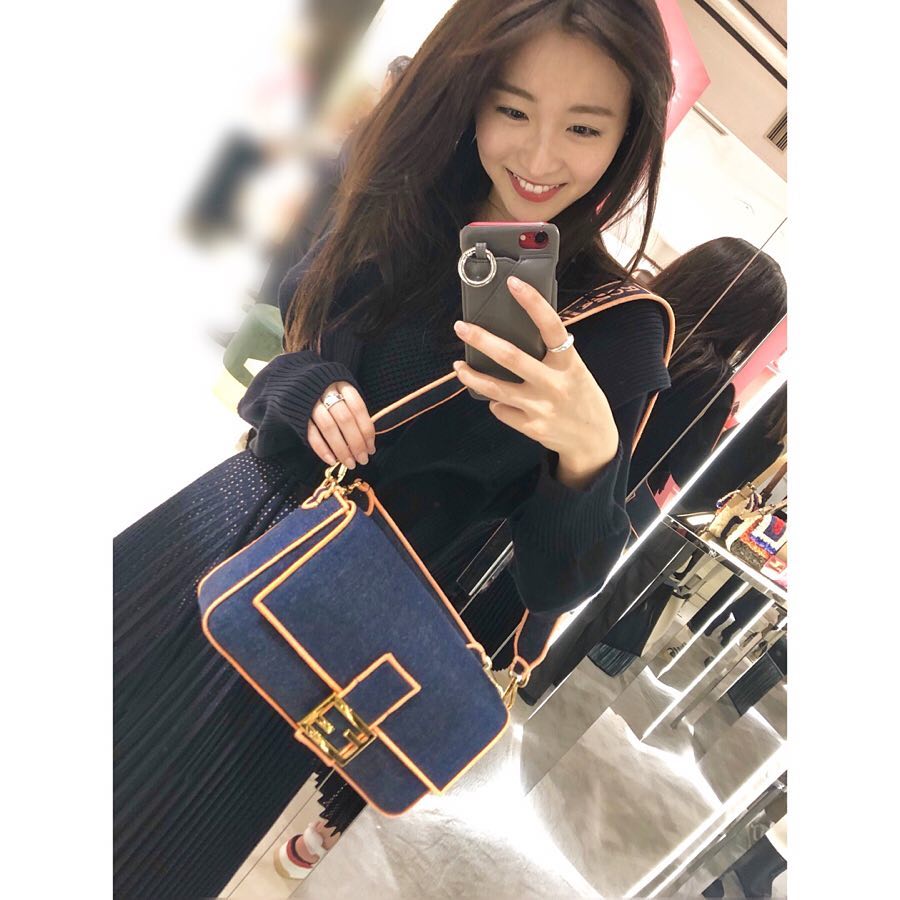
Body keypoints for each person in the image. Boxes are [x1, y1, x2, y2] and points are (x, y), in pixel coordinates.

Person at [113, 2, 675, 896]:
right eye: (513, 108)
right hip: (216, 526)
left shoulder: (615, 328)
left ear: (629, 133)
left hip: (326, 623)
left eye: (583, 127)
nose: (538, 158)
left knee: (147, 850)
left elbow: (552, 583)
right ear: (471, 91)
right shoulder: (398, 192)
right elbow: (288, 329)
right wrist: (305, 385)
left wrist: (590, 456)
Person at [519, 240, 787, 700]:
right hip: (591, 503)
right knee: (532, 611)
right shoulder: (710, 378)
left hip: (521, 466)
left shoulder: (625, 309)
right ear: (749, 323)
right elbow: (684, 474)